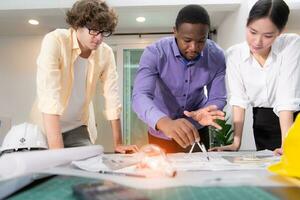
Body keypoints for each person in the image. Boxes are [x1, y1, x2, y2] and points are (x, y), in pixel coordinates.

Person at [30, 0, 138, 153]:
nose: (99, 38)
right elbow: (49, 97)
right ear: (76, 25)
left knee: (89, 166)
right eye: (93, 30)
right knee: (50, 172)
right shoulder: (55, 40)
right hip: (46, 125)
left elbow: (112, 97)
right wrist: (58, 153)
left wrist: (118, 144)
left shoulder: (105, 53)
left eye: (103, 32)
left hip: (77, 126)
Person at [132, 5, 226, 153]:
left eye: (201, 41)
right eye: (187, 40)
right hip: (161, 131)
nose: (194, 47)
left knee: (197, 174)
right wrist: (165, 123)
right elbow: (140, 96)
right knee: (162, 174)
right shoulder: (155, 53)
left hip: (196, 130)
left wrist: (209, 109)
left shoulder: (216, 55)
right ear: (175, 32)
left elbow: (218, 96)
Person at [210, 0, 300, 155]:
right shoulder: (234, 54)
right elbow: (239, 99)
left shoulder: (291, 45)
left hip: (293, 121)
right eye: (252, 32)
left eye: (268, 35)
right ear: (246, 24)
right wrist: (235, 142)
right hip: (262, 123)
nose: (257, 42)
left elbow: (287, 97)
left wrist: (287, 144)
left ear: (281, 31)